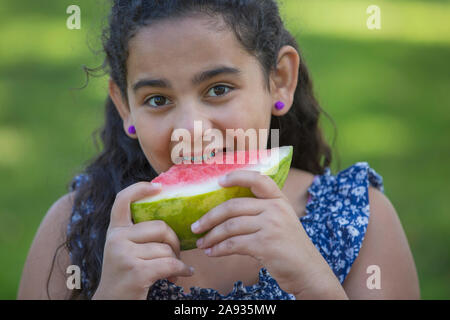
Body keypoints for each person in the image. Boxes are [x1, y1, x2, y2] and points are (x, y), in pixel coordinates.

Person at [18, 0, 420, 300]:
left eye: (218, 89)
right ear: (125, 106)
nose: (191, 130)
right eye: (158, 99)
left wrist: (314, 284)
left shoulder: (360, 217)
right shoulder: (74, 228)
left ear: (279, 79)